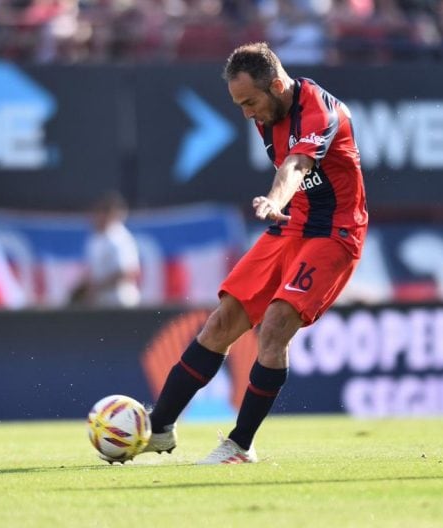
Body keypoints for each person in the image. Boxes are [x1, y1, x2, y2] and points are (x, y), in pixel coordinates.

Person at [140, 42, 368, 464]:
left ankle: (239, 445)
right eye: (238, 104)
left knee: (277, 323)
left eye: (250, 102)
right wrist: (283, 208)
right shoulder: (269, 110)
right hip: (292, 226)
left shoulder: (319, 112)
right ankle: (160, 429)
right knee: (223, 321)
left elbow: (296, 167)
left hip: (334, 233)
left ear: (278, 86)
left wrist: (275, 200)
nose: (246, 113)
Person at [71, 191, 141, 308]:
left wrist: (98, 286)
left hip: (121, 303)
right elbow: (95, 272)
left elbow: (129, 272)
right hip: (101, 303)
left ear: (109, 214)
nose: (95, 217)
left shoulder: (119, 238)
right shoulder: (95, 239)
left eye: (99, 213)